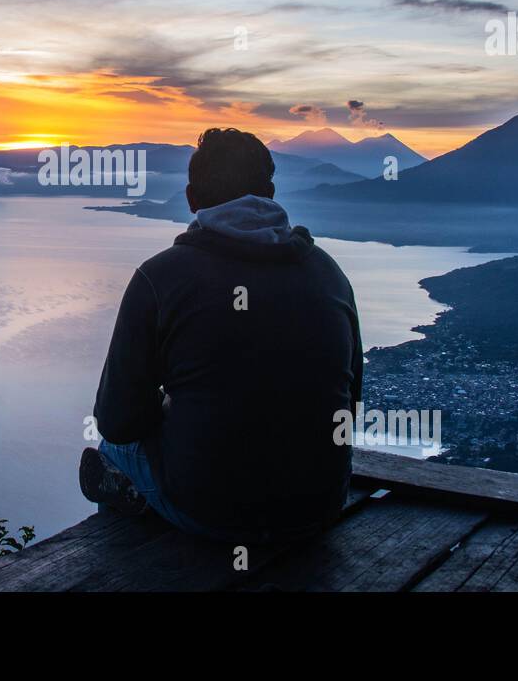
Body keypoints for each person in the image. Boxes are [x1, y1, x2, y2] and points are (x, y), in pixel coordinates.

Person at [80, 127, 363, 544]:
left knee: (110, 453)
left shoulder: (160, 277)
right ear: (270, 191)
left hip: (211, 512)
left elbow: (119, 421)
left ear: (192, 199)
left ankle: (127, 561)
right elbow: (350, 401)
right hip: (319, 505)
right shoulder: (328, 273)